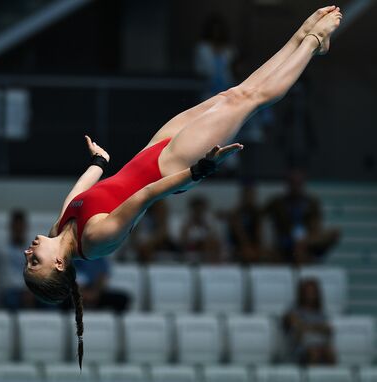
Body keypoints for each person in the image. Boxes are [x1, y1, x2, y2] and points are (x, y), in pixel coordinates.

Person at [23, 7, 342, 368]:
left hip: (151, 152)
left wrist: (98, 163)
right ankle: (312, 41)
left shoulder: (57, 230)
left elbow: (75, 198)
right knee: (249, 101)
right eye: (35, 262)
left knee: (233, 95)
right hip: (172, 166)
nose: (28, 252)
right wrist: (198, 170)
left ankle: (304, 39)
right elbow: (146, 196)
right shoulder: (94, 242)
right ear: (61, 263)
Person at [265, 168, 341, 264]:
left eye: (298, 183)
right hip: (286, 243)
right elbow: (259, 216)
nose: (296, 186)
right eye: (293, 183)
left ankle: (304, 249)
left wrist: (307, 240)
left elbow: (316, 226)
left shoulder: (311, 202)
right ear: (287, 184)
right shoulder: (277, 202)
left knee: (335, 233)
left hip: (307, 242)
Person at [283, 278, 336, 365]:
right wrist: (317, 328)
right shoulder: (294, 310)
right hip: (300, 346)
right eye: (308, 291)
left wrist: (308, 327)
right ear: (302, 293)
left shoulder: (320, 312)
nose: (311, 294)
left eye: (313, 292)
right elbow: (297, 326)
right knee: (314, 352)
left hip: (320, 344)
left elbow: (328, 329)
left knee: (330, 353)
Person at [62, 257, 129, 313]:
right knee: (61, 300)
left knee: (122, 299)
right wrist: (83, 293)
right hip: (78, 292)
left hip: (97, 293)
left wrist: (95, 292)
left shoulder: (101, 258)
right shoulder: (74, 257)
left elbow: (103, 277)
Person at [227, 181, 266, 264]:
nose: (249, 198)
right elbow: (241, 236)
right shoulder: (236, 213)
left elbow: (258, 235)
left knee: (265, 253)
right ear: (243, 197)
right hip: (238, 246)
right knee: (247, 252)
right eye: (247, 195)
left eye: (251, 195)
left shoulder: (257, 213)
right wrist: (247, 247)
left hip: (253, 246)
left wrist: (256, 248)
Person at [180, 196, 222, 263]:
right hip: (191, 245)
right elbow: (182, 238)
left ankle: (212, 263)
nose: (198, 211)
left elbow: (214, 236)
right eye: (196, 209)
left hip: (206, 244)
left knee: (211, 243)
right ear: (193, 209)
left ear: (204, 208)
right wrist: (190, 224)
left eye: (200, 209)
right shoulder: (186, 219)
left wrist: (204, 225)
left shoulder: (210, 219)